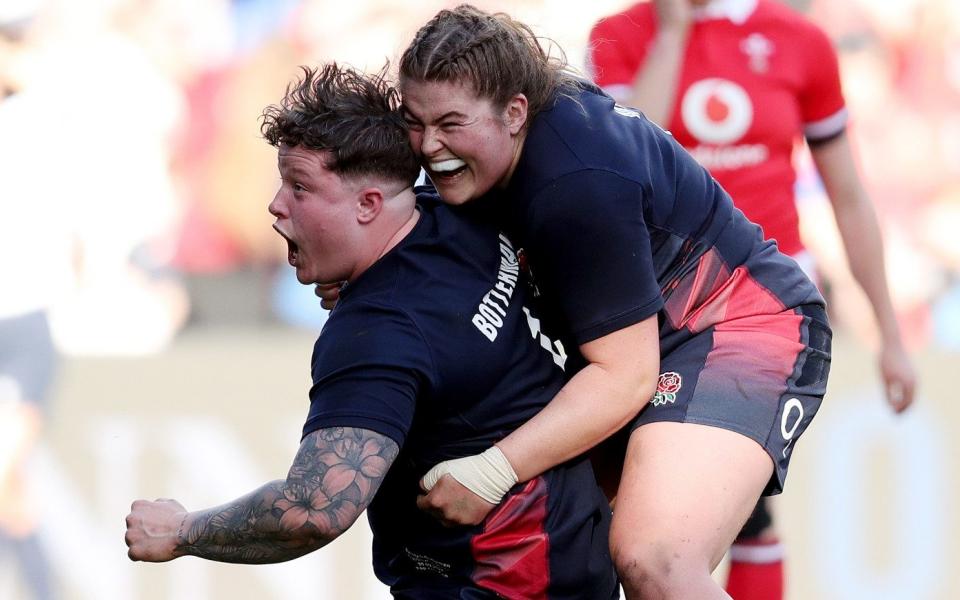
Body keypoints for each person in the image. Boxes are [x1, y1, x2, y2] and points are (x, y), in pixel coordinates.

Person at [124, 63, 619, 599]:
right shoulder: (452, 213)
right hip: (579, 558)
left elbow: (313, 508)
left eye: (300, 187)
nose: (275, 205)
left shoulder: (376, 333)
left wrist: (182, 531)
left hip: (494, 586)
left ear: (368, 205)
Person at [397, 5, 831, 598]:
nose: (427, 146)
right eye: (413, 123)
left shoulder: (574, 180)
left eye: (449, 123)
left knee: (655, 559)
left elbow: (626, 377)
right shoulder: (508, 144)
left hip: (739, 325)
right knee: (561, 555)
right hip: (646, 341)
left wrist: (494, 470)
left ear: (516, 111)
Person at [586, 1, 917, 597]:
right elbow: (619, 161)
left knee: (726, 505)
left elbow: (847, 194)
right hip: (646, 304)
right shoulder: (619, 34)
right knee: (639, 515)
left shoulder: (799, 41)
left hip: (756, 314)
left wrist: (890, 335)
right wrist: (674, 32)